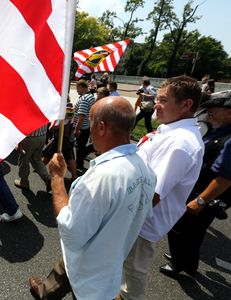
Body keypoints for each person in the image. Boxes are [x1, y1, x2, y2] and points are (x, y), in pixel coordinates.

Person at [28, 96, 157, 300]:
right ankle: (45, 292)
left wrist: (56, 179)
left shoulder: (101, 177)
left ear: (102, 127)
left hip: (89, 277)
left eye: (91, 121)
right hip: (109, 261)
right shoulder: (146, 169)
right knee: (65, 270)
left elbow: (71, 232)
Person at [119, 75, 204, 300]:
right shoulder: (171, 130)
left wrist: (121, 216)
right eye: (157, 98)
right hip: (135, 216)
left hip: (141, 220)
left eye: (163, 100)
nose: (156, 104)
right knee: (124, 267)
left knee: (133, 272)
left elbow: (154, 193)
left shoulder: (181, 142)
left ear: (186, 105)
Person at [161, 90, 231, 278]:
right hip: (199, 190)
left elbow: (225, 178)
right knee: (189, 230)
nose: (208, 114)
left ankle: (181, 266)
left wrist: (201, 200)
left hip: (206, 196)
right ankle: (184, 261)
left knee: (185, 230)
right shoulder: (222, 129)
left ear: (230, 112)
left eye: (213, 110)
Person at [42, 102, 77, 181]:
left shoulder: (60, 115)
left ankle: (41, 167)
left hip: (59, 139)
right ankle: (74, 176)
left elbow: (52, 127)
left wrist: (53, 129)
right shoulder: (71, 111)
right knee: (70, 157)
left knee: (48, 153)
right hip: (69, 138)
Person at [14, 124, 51, 192]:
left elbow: (23, 127)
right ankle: (48, 179)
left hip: (29, 138)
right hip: (42, 135)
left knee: (24, 161)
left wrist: (19, 146)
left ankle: (24, 183)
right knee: (37, 159)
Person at [73, 79, 95, 172]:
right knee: (81, 147)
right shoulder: (91, 96)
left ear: (81, 87)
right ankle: (79, 163)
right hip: (86, 126)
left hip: (82, 127)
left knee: (80, 147)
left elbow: (81, 116)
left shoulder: (84, 99)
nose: (77, 90)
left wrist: (77, 129)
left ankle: (79, 164)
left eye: (77, 88)